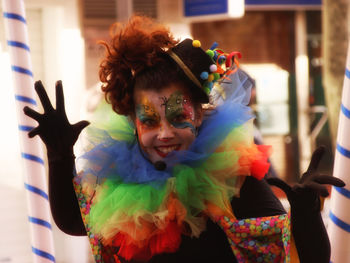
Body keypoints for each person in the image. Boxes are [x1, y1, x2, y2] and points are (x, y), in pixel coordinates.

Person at [23, 16, 344, 263]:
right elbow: (76, 223)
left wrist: (306, 214)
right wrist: (60, 155)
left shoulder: (229, 179)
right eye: (149, 120)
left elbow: (301, 256)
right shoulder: (119, 181)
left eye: (178, 117)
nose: (164, 133)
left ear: (199, 115)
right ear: (134, 122)